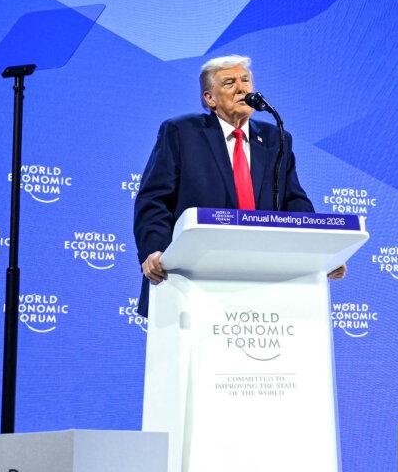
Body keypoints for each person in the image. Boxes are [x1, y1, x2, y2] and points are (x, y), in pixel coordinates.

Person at [133, 54, 343, 316]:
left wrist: (319, 254)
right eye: (230, 82)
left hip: (263, 281)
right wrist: (156, 252)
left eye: (246, 80)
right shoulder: (181, 132)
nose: (242, 88)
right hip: (191, 277)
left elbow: (294, 201)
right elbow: (155, 200)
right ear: (209, 98)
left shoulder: (276, 138)